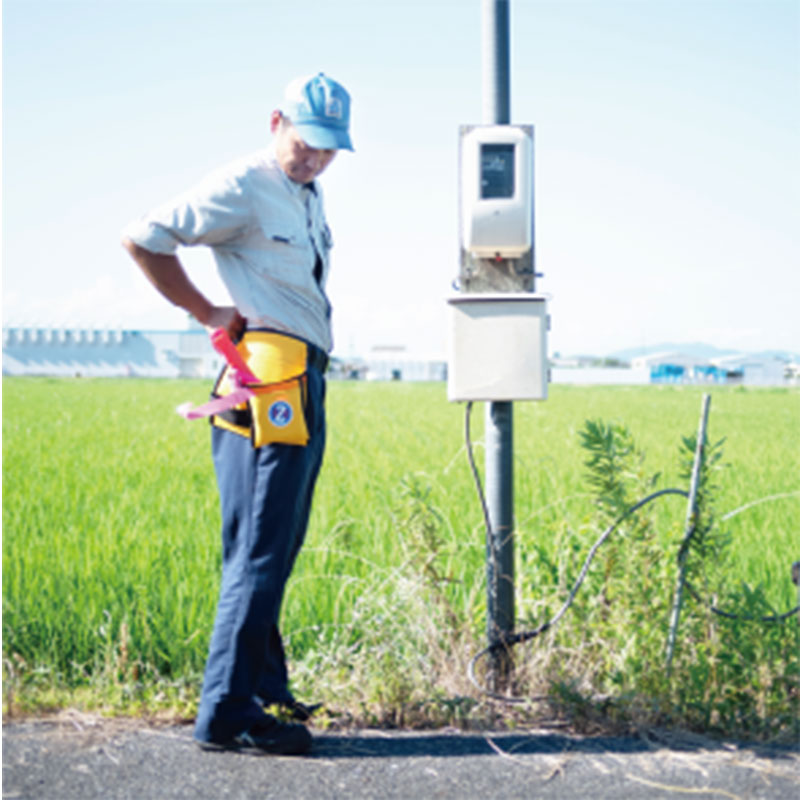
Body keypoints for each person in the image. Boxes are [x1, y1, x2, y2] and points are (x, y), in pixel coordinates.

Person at [121, 73, 353, 755]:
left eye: (329, 150)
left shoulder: (307, 196)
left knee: (273, 548)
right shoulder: (246, 183)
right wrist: (205, 310)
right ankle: (225, 713)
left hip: (300, 383)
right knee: (257, 551)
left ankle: (262, 691)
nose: (315, 159)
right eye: (307, 143)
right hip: (266, 385)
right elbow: (145, 237)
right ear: (277, 121)